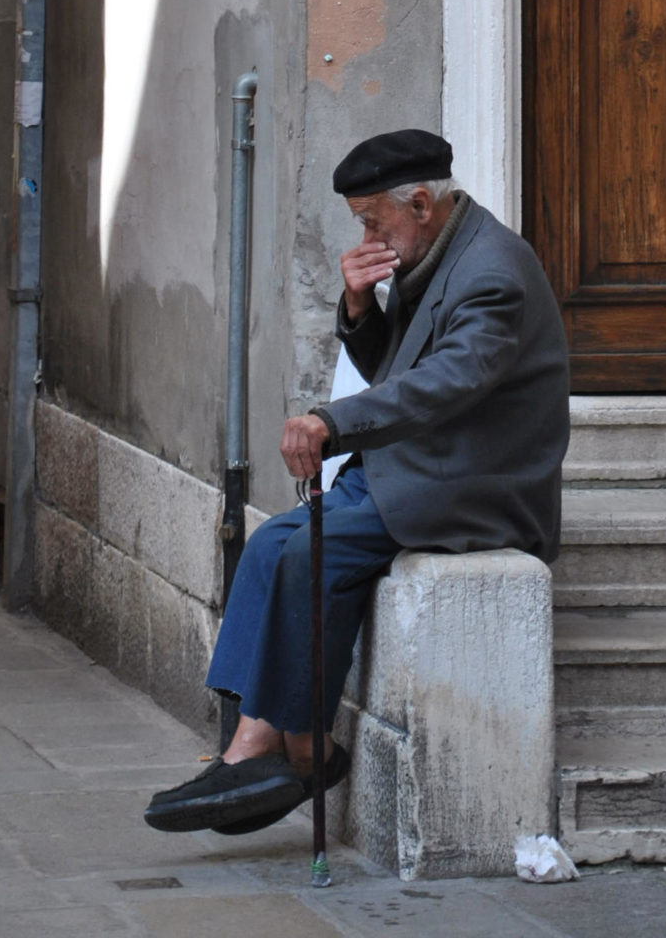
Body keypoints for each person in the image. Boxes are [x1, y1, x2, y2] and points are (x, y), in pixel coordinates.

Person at [145, 127, 571, 834]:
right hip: (416, 466)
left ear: (423, 203)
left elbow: (443, 385)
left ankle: (285, 748)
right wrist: (357, 306)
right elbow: (392, 370)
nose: (369, 233)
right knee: (268, 545)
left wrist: (329, 422)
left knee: (311, 553)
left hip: (473, 483)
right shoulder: (435, 253)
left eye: (374, 219)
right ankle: (269, 743)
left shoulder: (492, 271)